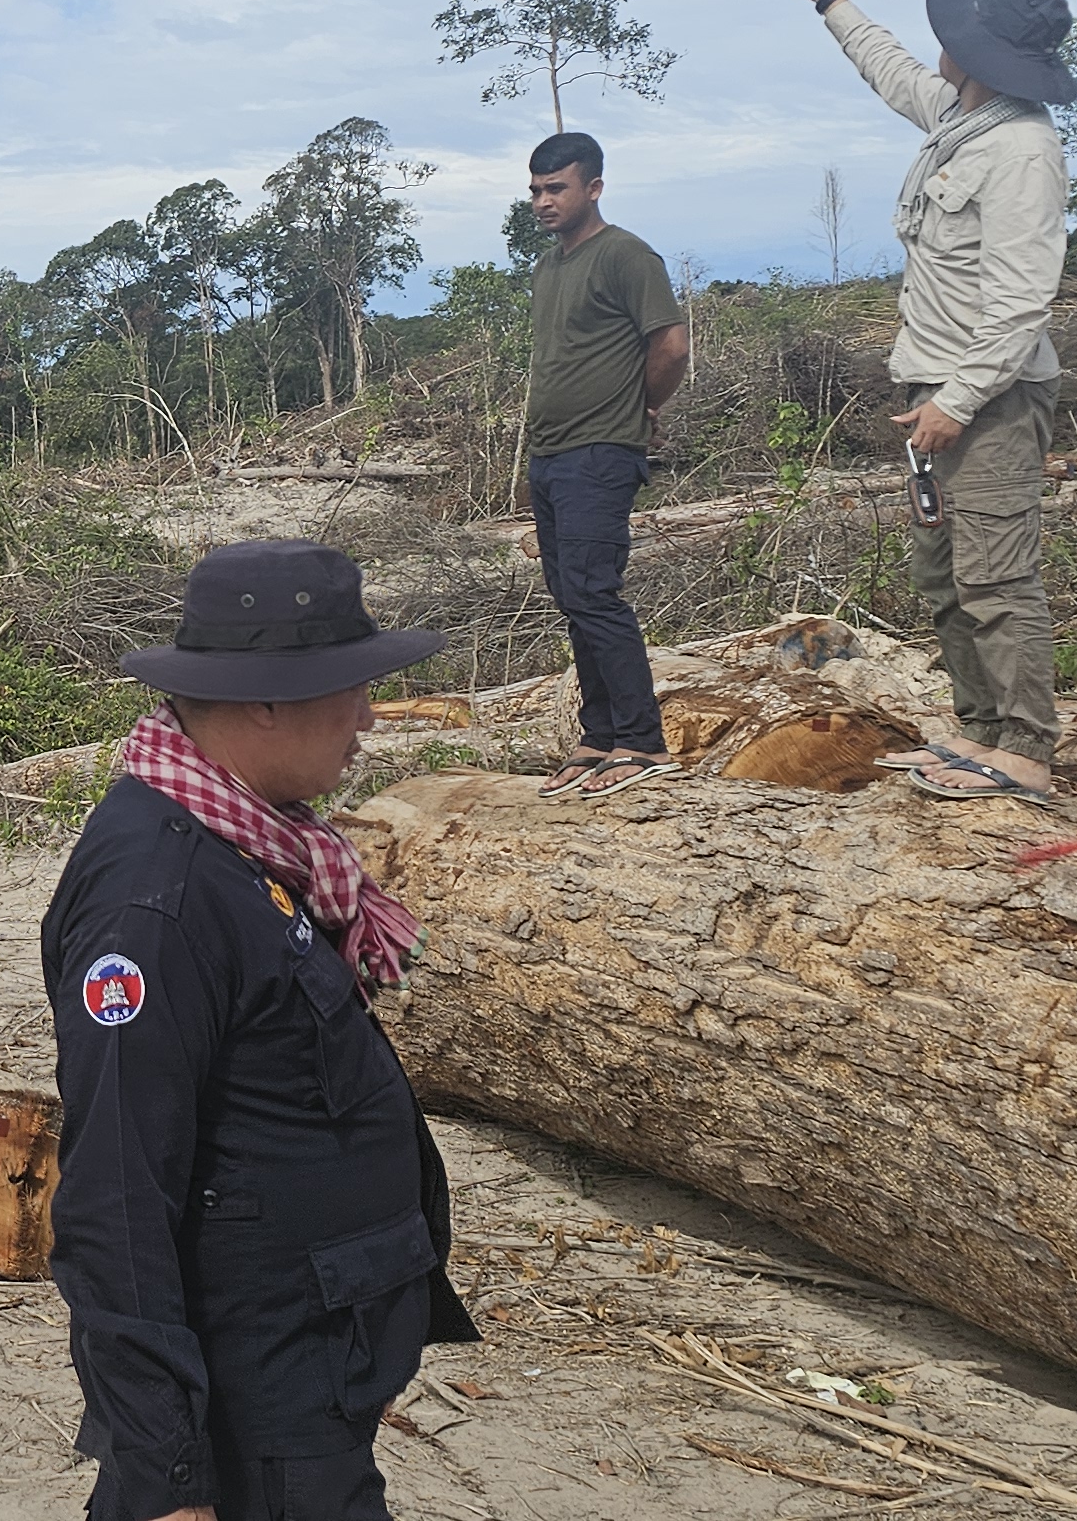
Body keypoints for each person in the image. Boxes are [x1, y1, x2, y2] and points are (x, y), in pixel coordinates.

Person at [46, 542, 478, 1521]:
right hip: (255, 1405)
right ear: (267, 701)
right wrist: (166, 1478)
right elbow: (116, 1195)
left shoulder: (251, 846)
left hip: (307, 1362)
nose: (368, 716)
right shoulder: (154, 902)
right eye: (350, 687)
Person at [774, 0, 1076, 803]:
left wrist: (958, 399)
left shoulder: (1021, 149)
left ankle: (1026, 746)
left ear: (985, 52)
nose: (941, 39)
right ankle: (978, 728)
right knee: (943, 575)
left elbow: (1022, 301)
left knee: (995, 576)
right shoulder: (960, 118)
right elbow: (889, 66)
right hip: (933, 392)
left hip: (988, 396)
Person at [517, 131, 691, 801]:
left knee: (594, 592)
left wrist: (640, 407)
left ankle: (640, 741)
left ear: (592, 187)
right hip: (551, 453)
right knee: (571, 599)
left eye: (555, 187)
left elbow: (671, 346)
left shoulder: (625, 255)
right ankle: (597, 736)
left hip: (600, 451)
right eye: (535, 189)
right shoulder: (549, 266)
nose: (542, 201)